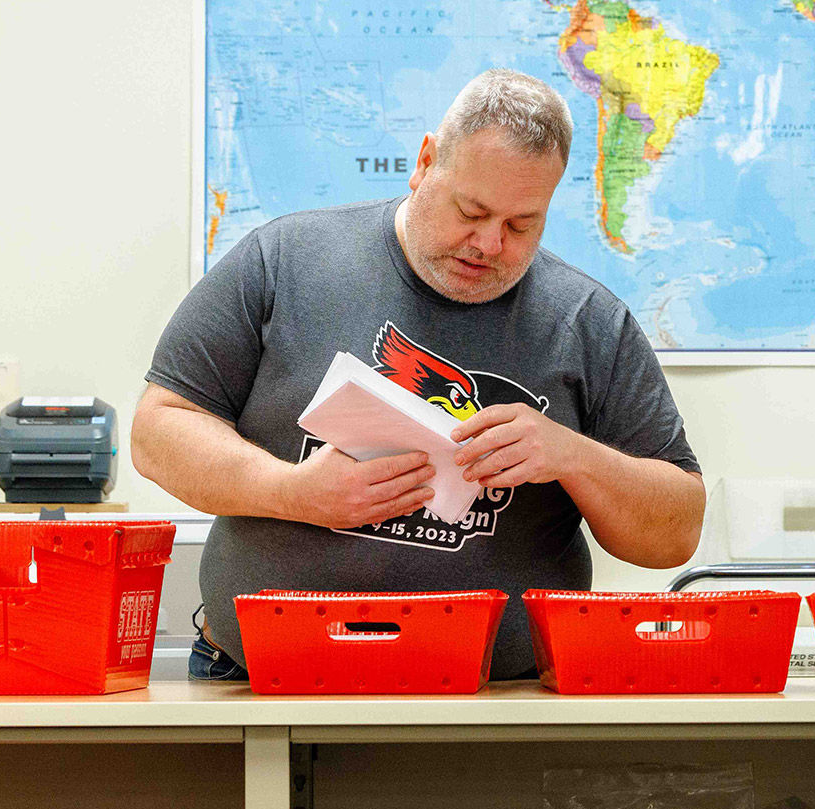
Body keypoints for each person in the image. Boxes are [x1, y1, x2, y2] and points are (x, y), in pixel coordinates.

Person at [134, 69, 706, 682]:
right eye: (472, 210)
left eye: (522, 225)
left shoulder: (590, 322)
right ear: (426, 161)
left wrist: (573, 456)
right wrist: (291, 492)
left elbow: (676, 532)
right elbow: (159, 430)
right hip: (260, 679)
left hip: (495, 704)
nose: (488, 244)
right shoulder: (284, 260)